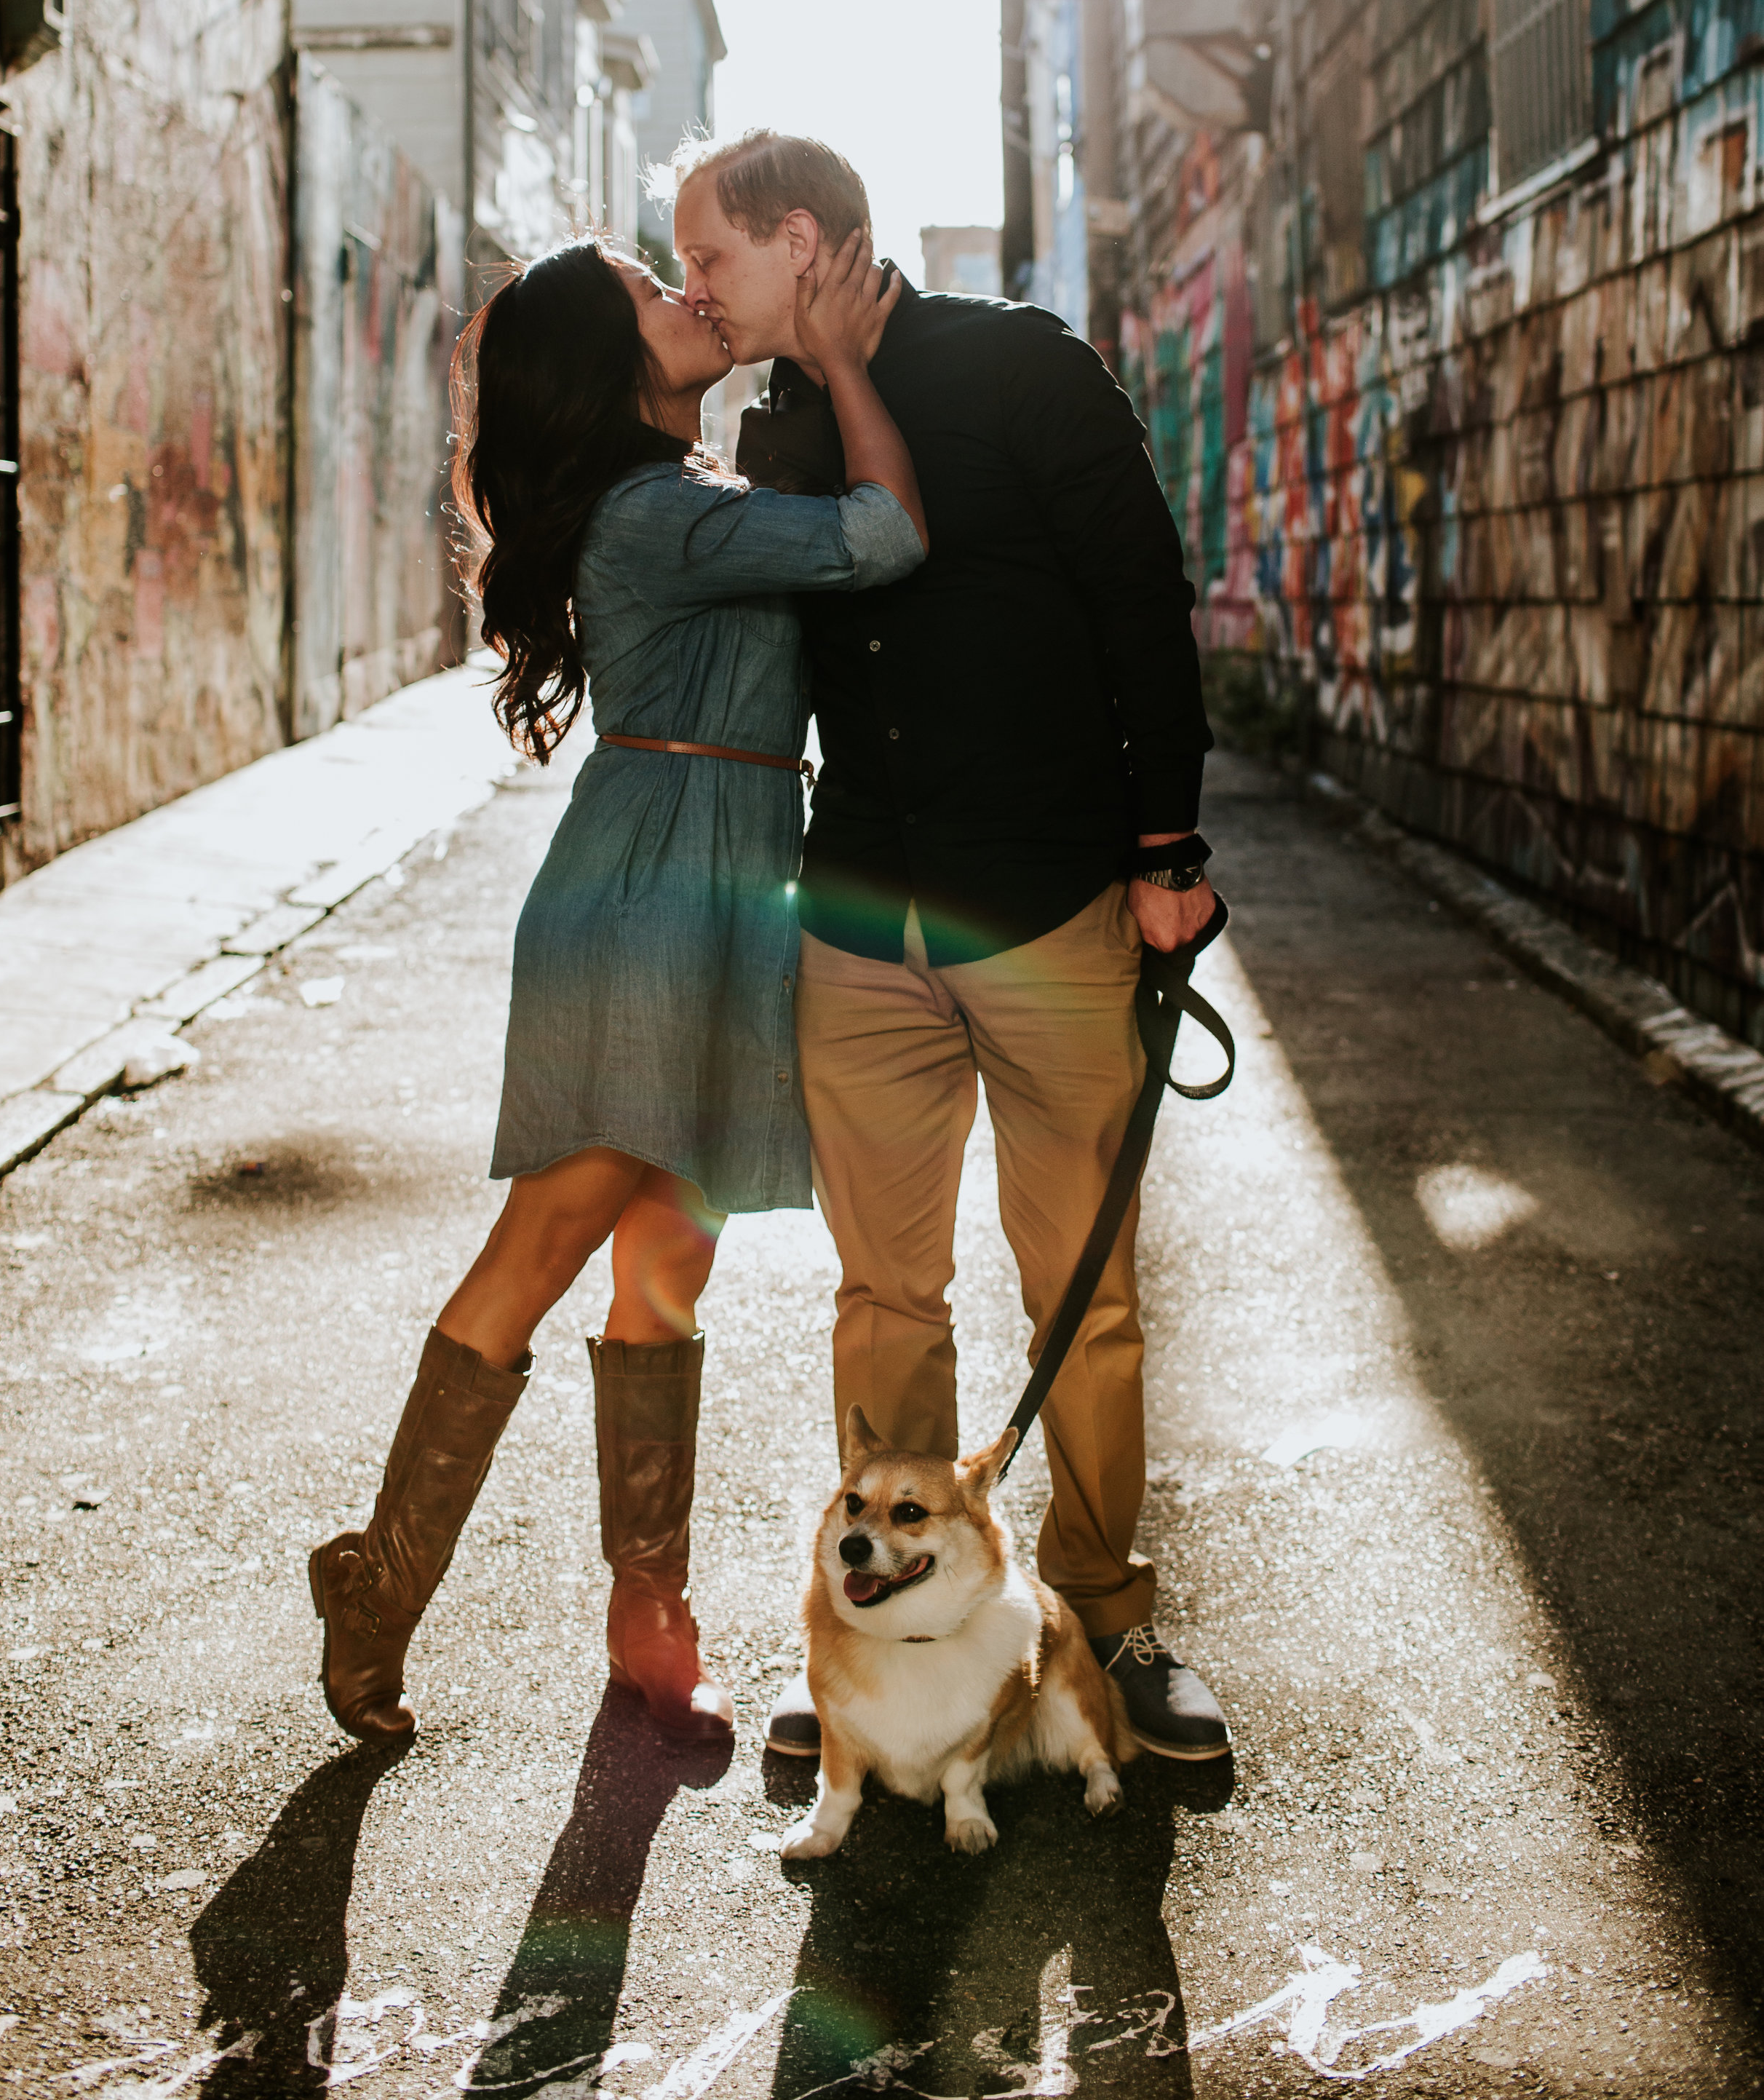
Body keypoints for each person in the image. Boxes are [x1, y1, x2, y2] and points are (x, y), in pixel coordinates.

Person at [308, 232, 926, 1749]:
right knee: (549, 1237)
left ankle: (650, 1615)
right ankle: (378, 1590)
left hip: (719, 879)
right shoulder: (658, 511)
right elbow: (884, 539)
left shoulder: (686, 491)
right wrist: (840, 356)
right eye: (659, 291)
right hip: (646, 887)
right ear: (611, 362)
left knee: (667, 1262)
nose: (690, 295)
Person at [672, 129, 1233, 1766]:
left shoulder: (1018, 367)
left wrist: (1163, 849)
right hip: (857, 906)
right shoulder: (773, 427)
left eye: (711, 258)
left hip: (1047, 895)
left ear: (800, 238)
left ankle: (1108, 1624)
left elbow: (1140, 597)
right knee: (881, 1293)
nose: (699, 289)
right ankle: (895, 1629)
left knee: (1089, 1294)